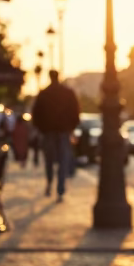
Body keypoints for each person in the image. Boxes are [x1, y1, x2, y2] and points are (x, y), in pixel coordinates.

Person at [30, 71, 80, 201]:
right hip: (63, 131)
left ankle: (50, 182)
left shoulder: (44, 94)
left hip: (49, 132)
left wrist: (41, 129)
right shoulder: (67, 93)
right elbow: (75, 111)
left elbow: (36, 114)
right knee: (63, 160)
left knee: (49, 160)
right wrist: (70, 127)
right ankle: (60, 190)